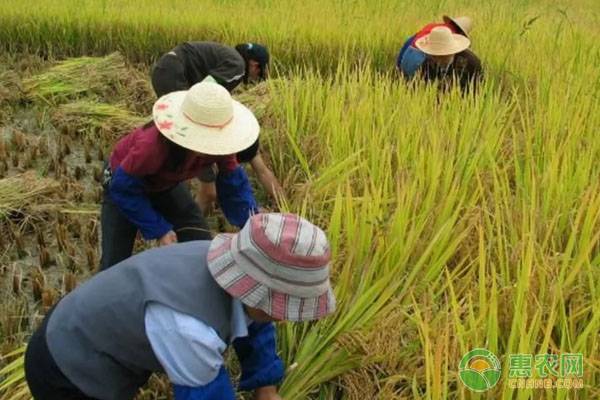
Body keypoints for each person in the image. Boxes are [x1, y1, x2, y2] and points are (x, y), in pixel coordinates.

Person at [24, 213, 336, 400]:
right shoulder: (190, 328)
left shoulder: (233, 263)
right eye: (286, 305)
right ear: (258, 294)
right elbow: (204, 397)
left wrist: (265, 388)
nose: (286, 317)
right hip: (67, 367)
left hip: (99, 337)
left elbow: (256, 324)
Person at [100, 77, 260, 270]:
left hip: (165, 185)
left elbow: (234, 185)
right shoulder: (152, 147)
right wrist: (159, 229)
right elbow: (122, 188)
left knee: (199, 243)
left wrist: (252, 223)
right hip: (124, 183)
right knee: (114, 263)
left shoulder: (221, 146)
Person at [196, 137, 285, 217]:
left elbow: (209, 194)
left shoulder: (246, 142)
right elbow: (263, 172)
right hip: (224, 139)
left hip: (215, 143)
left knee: (208, 192)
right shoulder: (205, 151)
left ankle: (193, 225)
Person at [151, 41, 270, 97]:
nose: (255, 76)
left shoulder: (230, 55)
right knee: (180, 121)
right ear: (254, 64)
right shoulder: (238, 66)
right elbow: (204, 88)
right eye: (259, 71)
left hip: (166, 69)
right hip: (173, 72)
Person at [396, 16, 473, 78]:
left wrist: (399, 63)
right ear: (461, 32)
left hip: (407, 53)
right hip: (421, 56)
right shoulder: (448, 35)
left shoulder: (434, 28)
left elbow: (410, 40)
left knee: (407, 82)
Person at [411, 26, 483, 92]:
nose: (437, 59)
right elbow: (419, 88)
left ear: (451, 51)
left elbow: (478, 91)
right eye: (434, 55)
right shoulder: (428, 63)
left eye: (441, 55)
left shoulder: (471, 63)